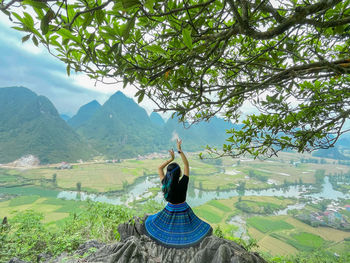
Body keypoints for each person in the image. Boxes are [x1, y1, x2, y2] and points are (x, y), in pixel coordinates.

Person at [143, 139, 212, 248]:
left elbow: (159, 168)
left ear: (169, 174)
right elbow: (187, 165)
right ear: (179, 173)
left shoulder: (165, 182)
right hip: (184, 210)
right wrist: (180, 150)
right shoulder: (183, 182)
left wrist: (171, 159)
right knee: (198, 229)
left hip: (169, 209)